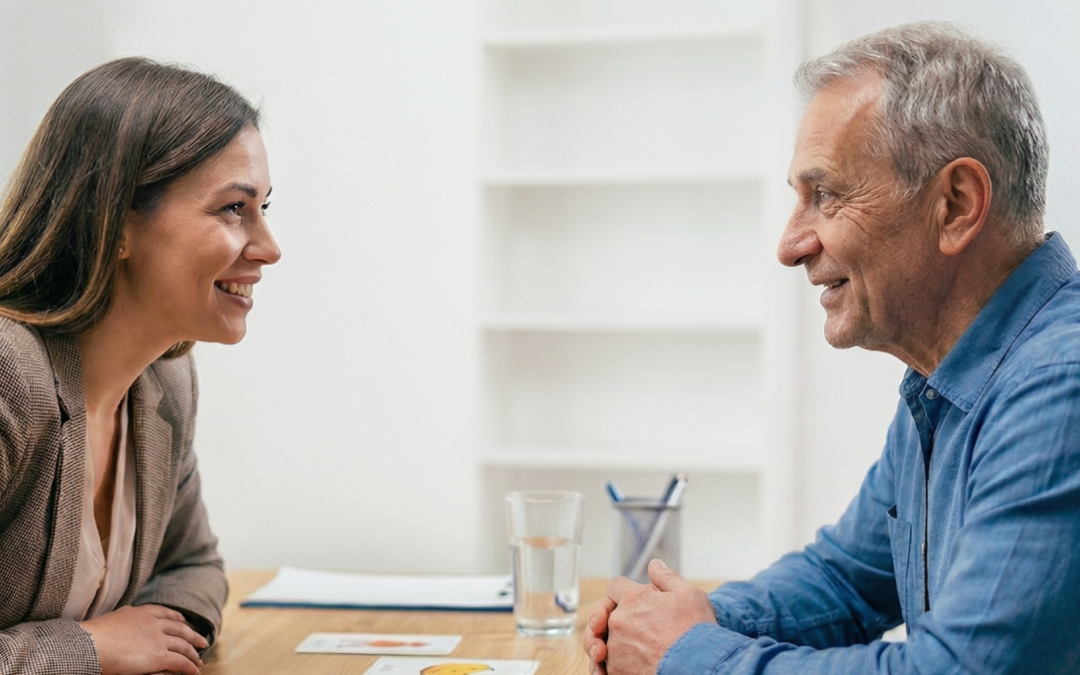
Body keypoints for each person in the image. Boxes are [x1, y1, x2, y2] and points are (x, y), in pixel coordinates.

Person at [584, 21, 1080, 675]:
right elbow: (843, 582)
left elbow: (957, 670)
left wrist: (687, 654)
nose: (791, 244)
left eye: (825, 195)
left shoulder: (1058, 388)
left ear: (956, 204)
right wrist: (671, 621)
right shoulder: (949, 379)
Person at [0, 57, 280, 675]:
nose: (268, 248)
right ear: (115, 222)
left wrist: (153, 638)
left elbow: (194, 568)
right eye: (235, 209)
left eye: (264, 208)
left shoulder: (163, 381)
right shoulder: (7, 378)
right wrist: (91, 648)